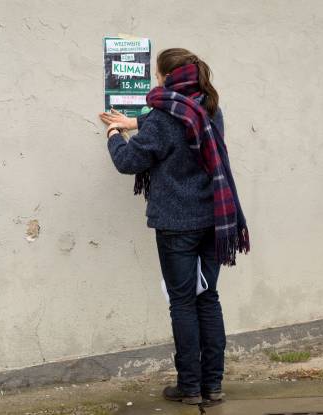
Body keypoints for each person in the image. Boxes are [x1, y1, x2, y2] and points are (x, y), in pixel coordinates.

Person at [99, 48, 250, 406]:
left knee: (182, 303)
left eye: (157, 75)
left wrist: (113, 137)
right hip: (215, 221)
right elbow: (181, 128)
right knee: (208, 298)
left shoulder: (163, 119)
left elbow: (129, 162)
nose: (155, 80)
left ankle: (189, 386)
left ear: (168, 78)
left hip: (176, 225)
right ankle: (212, 385)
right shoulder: (210, 110)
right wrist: (137, 122)